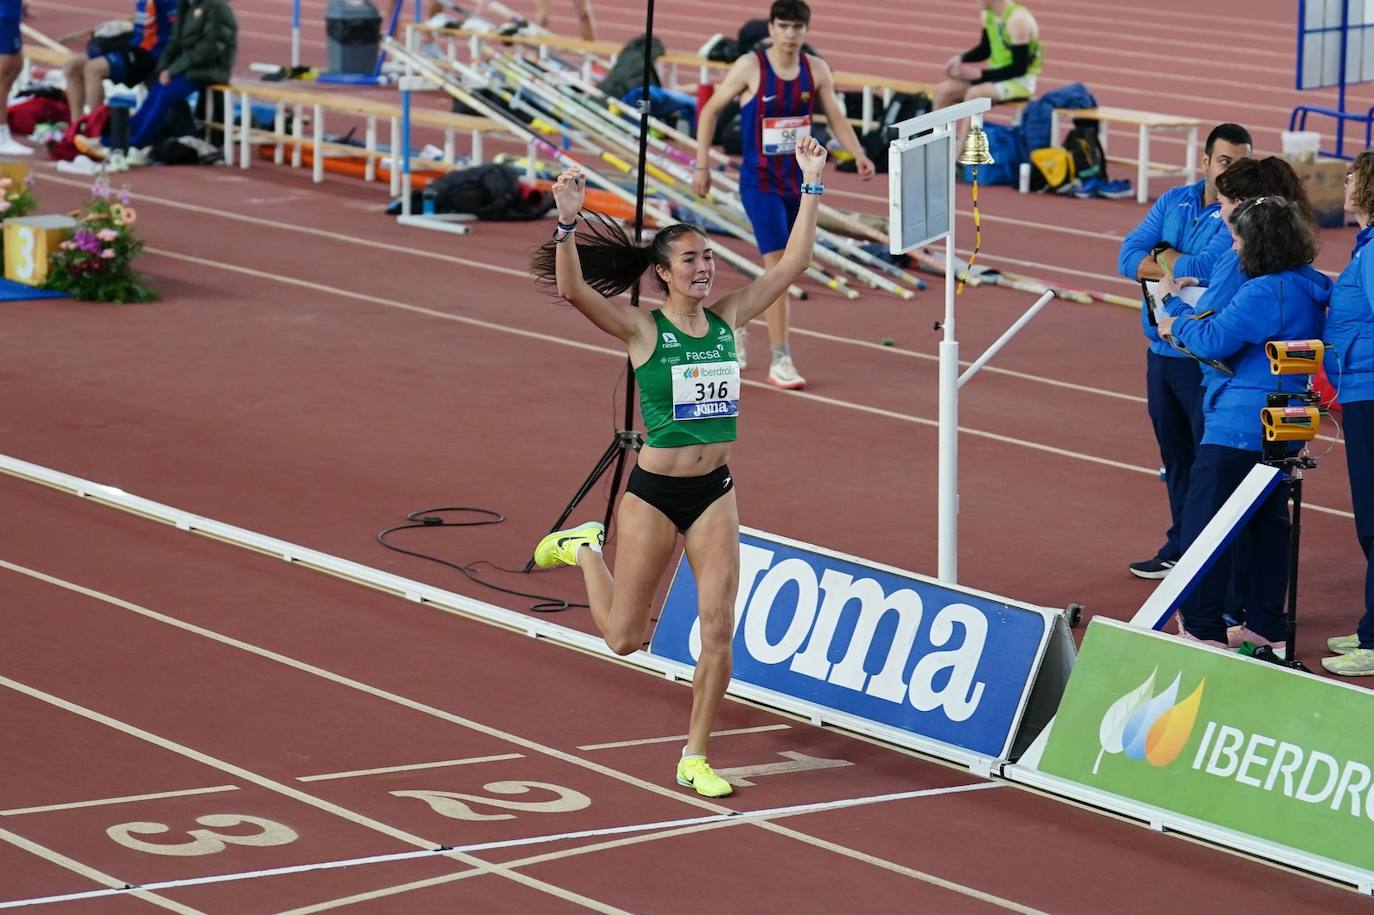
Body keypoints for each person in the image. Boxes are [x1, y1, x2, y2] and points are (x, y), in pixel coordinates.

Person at [528, 136, 829, 798]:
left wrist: (811, 182)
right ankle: (584, 548)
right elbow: (573, 288)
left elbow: (793, 263)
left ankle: (695, 754)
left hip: (715, 492)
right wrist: (569, 221)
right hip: (655, 494)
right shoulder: (642, 330)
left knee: (718, 625)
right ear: (663, 272)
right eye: (692, 259)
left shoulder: (727, 319)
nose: (705, 267)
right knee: (624, 637)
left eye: (710, 257)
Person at [1153, 156, 1316, 638]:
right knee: (1268, 524)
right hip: (1289, 420)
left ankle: (1202, 627)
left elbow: (1213, 339)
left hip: (1242, 421)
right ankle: (1266, 624)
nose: (1236, 246)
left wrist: (1173, 320)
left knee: (1206, 526)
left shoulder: (1263, 290)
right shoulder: (1312, 286)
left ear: (1258, 242)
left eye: (1241, 239)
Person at [693, 0, 874, 391]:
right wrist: (701, 165)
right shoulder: (751, 66)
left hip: (801, 182)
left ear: (806, 31)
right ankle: (781, 358)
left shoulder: (817, 70)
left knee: (791, 266)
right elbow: (709, 112)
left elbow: (837, 117)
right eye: (784, 26)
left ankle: (735, 325)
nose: (791, 35)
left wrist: (857, 153)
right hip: (760, 182)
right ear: (771, 29)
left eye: (797, 28)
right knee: (781, 268)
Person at [1116, 123, 1252, 580]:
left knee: (1208, 464)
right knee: (1175, 457)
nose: (1233, 170)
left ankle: (1211, 558)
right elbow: (1125, 256)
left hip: (1203, 359)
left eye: (1241, 162)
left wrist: (1160, 253)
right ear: (1206, 161)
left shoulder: (1240, 215)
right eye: (1225, 161)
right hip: (1160, 351)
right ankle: (1182, 545)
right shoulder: (1174, 199)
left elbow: (1207, 270)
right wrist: (1169, 258)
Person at [1321, 151, 1374, 677]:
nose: (1345, 183)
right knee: (1370, 519)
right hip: (1360, 392)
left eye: (1354, 177)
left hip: (1372, 394)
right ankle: (1370, 625)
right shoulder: (1365, 248)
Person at [76, 0, 236, 161]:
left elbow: (209, 49)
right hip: (189, 67)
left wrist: (173, 70)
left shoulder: (217, 8)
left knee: (165, 95)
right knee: (156, 92)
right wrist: (163, 68)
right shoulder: (186, 5)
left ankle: (137, 142)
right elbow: (174, 42)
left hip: (211, 69)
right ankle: (116, 138)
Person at [61, 0, 175, 119]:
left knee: (93, 69)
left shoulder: (169, 3)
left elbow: (177, 29)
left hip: (150, 55)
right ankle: (76, 126)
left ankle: (94, 127)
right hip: (132, 47)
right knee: (72, 66)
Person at [933, 0, 1042, 109]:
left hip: (1020, 82)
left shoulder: (1017, 20)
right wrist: (961, 58)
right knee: (942, 91)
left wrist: (980, 74)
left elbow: (1019, 69)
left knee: (974, 94)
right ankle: (934, 127)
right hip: (995, 76)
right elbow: (984, 50)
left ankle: (972, 127)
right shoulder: (988, 14)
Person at [0, 0, 31, 155]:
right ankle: (1, 135)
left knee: (16, 66)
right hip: (3, 16)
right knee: (3, 75)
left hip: (10, 12)